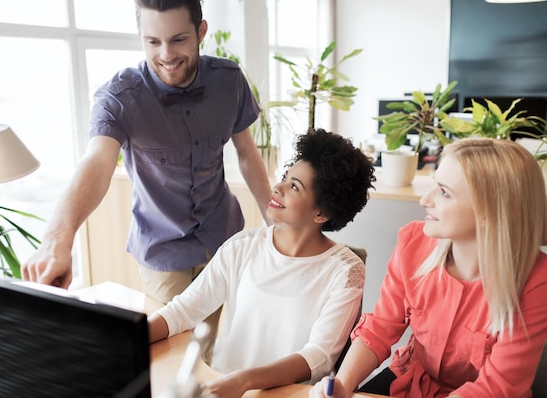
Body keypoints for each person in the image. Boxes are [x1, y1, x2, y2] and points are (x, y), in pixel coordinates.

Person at [21, 0, 272, 303]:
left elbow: (247, 153)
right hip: (163, 254)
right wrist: (57, 239)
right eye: (153, 42)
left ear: (201, 31)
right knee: (170, 351)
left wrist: (274, 219)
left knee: (213, 345)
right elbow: (96, 162)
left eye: (178, 39)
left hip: (225, 238)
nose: (166, 55)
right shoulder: (120, 98)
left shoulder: (230, 80)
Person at [310, 137, 547, 398]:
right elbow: (379, 330)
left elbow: (501, 385)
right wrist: (342, 384)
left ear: (490, 211)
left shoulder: (539, 280)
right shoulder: (412, 242)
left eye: (444, 192)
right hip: (410, 379)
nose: (425, 200)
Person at [148, 128, 376, 398]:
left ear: (322, 212)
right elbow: (183, 311)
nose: (277, 188)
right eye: (284, 178)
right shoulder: (242, 246)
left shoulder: (345, 270)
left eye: (294, 187)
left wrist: (245, 381)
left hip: (286, 394)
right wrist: (127, 338)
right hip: (219, 386)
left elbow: (319, 356)